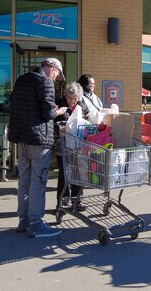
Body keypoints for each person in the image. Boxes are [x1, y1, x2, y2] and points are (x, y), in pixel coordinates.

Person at [8, 58, 65, 238]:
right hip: (39, 140)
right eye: (57, 74)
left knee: (24, 180)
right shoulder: (45, 81)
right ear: (52, 69)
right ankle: (36, 223)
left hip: (22, 137)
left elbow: (18, 105)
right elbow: (48, 113)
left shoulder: (21, 80)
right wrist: (59, 111)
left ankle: (23, 219)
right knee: (38, 181)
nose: (56, 78)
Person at [54, 82, 90, 213]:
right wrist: (59, 128)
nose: (72, 101)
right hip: (62, 144)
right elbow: (51, 121)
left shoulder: (82, 104)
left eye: (75, 98)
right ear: (66, 95)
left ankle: (76, 200)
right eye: (70, 98)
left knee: (78, 172)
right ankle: (62, 202)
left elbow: (88, 117)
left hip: (78, 144)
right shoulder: (58, 104)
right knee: (64, 173)